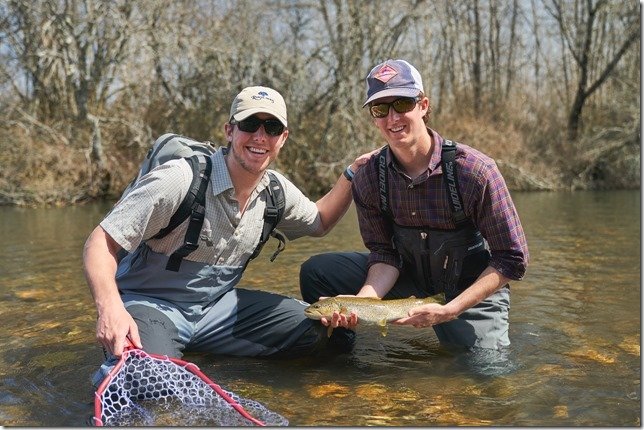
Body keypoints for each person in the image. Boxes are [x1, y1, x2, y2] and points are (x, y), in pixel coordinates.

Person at [83, 85, 373, 385]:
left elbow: (319, 221)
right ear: (229, 130)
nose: (260, 137)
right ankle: (160, 350)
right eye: (249, 125)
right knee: (151, 383)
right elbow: (99, 242)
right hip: (150, 304)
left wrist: (351, 174)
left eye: (272, 127)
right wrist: (110, 310)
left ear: (282, 138)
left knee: (327, 331)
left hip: (217, 310)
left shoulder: (276, 192)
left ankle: (191, 351)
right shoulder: (179, 179)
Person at [300, 59, 529, 352]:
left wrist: (451, 309)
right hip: (409, 280)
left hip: (468, 291)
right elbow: (384, 254)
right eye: (380, 109)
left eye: (402, 104)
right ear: (373, 117)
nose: (392, 118)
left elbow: (512, 258)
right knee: (318, 271)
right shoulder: (368, 176)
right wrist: (364, 302)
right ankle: (342, 357)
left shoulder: (475, 171)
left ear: (423, 105)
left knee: (487, 377)